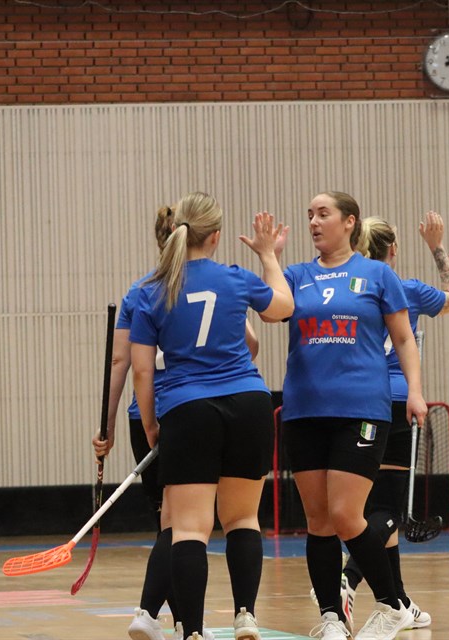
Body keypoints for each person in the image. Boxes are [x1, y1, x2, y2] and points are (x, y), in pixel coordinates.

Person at [129, 192, 294, 640]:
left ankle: (194, 632)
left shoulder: (151, 291)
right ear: (216, 236)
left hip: (188, 410)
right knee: (242, 519)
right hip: (249, 405)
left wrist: (150, 424)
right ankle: (245, 616)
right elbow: (283, 307)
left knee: (188, 529)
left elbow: (142, 370)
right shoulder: (236, 278)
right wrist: (268, 256)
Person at [92, 205, 261, 640]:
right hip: (210, 407)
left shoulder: (141, 291)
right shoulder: (222, 282)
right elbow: (251, 344)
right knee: (200, 523)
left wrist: (107, 429)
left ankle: (166, 618)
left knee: (176, 524)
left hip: (156, 414)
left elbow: (122, 363)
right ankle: (168, 616)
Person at [274, 191, 426, 640]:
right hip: (304, 409)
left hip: (361, 408)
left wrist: (415, 392)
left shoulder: (377, 274)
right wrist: (268, 256)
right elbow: (269, 312)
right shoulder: (295, 275)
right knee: (318, 521)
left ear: (349, 222)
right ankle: (331, 617)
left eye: (323, 214)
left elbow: (404, 339)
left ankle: (392, 605)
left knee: (345, 515)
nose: (314, 222)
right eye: (310, 215)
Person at [336, 212, 449, 631]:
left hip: (354, 404)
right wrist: (436, 247)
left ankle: (399, 601)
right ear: (393, 249)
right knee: (388, 511)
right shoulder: (407, 290)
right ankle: (349, 576)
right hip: (394, 402)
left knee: (373, 509)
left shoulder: (351, 289)